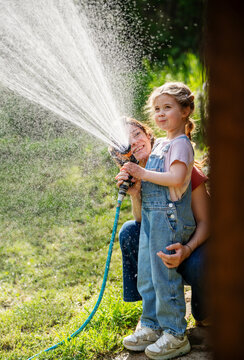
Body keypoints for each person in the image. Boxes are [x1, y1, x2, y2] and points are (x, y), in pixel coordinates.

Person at [115, 82, 209, 360]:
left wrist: (142, 174)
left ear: (186, 111)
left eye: (167, 107)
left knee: (165, 277)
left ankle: (175, 333)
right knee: (148, 275)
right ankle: (152, 325)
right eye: (156, 108)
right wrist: (136, 190)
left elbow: (178, 179)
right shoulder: (163, 145)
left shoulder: (180, 145)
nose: (160, 113)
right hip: (154, 222)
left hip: (170, 222)